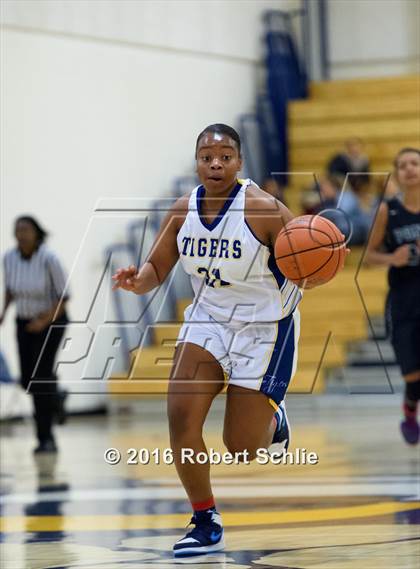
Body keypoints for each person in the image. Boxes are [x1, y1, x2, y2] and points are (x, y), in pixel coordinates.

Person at [112, 124, 303, 557]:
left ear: (239, 162)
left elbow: (309, 265)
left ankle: (275, 422)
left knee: (241, 449)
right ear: (196, 161)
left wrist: (323, 257)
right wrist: (136, 280)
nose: (215, 164)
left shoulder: (265, 209)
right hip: (208, 321)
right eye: (206, 156)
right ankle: (204, 518)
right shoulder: (182, 211)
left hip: (264, 327)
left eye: (225, 156)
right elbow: (155, 271)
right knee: (180, 416)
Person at [0, 216, 69, 452]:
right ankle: (57, 397)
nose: (21, 234)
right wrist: (3, 313)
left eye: (26, 229)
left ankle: (45, 438)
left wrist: (44, 321)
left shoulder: (50, 259)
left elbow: (64, 296)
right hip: (24, 323)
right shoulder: (9, 258)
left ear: (37, 233)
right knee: (29, 379)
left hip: (52, 321)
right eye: (17, 229)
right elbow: (9, 289)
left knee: (40, 379)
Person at [366, 148, 420, 445]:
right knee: (413, 377)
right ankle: (410, 412)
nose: (409, 169)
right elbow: (369, 256)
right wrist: (394, 258)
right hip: (403, 300)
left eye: (414, 163)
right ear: (397, 173)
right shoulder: (388, 209)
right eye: (402, 166)